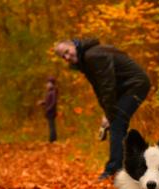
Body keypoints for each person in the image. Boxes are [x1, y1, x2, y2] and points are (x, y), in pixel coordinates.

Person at [54, 38, 151, 180]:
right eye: (63, 56)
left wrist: (109, 113)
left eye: (67, 52)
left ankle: (114, 170)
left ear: (74, 45)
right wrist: (107, 113)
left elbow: (107, 86)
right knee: (117, 123)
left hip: (135, 84)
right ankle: (128, 166)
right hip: (126, 87)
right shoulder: (87, 59)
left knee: (117, 122)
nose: (67, 57)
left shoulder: (93, 55)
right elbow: (100, 89)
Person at [37, 76, 58, 142]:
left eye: (48, 83)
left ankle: (52, 139)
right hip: (49, 112)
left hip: (51, 112)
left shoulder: (53, 92)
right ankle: (52, 139)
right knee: (51, 125)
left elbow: (53, 102)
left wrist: (48, 109)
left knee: (52, 125)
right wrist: (42, 102)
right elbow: (47, 101)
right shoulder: (49, 92)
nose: (47, 85)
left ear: (51, 84)